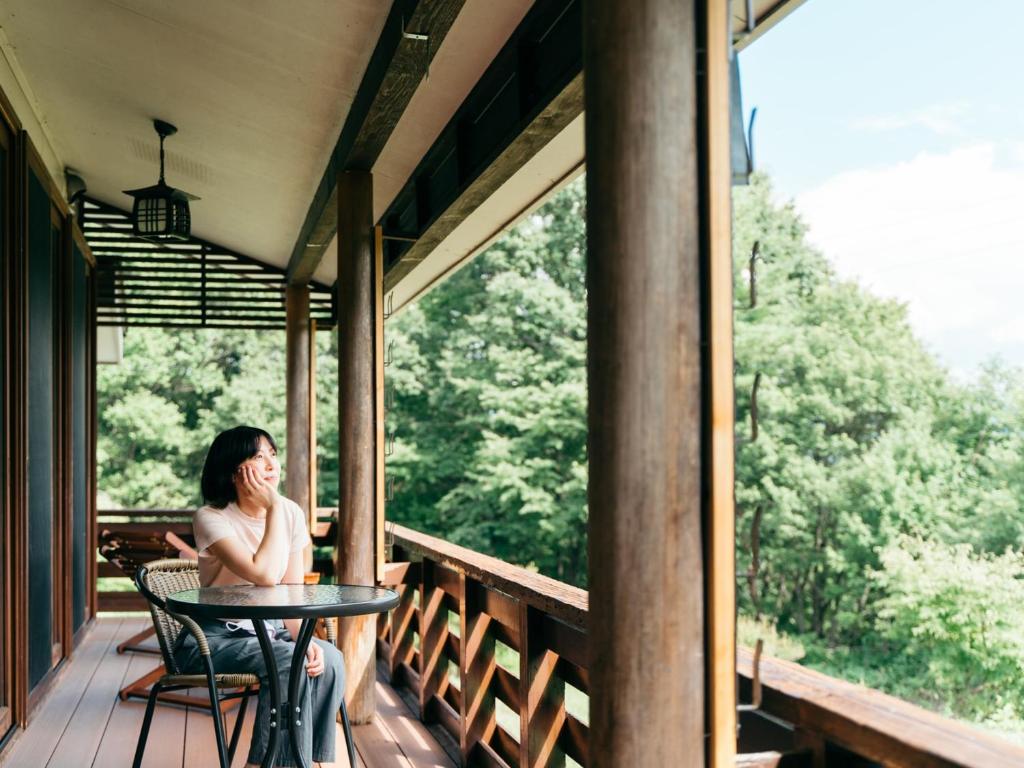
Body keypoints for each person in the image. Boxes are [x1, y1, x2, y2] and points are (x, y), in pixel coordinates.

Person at [174, 425, 345, 768]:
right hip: (211, 639)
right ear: (234, 470)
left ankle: (310, 761)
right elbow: (265, 575)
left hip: (269, 632)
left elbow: (291, 593)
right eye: (257, 456)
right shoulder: (211, 517)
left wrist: (304, 639)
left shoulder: (292, 513)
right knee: (285, 662)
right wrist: (275, 507)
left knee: (328, 659)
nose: (270, 464)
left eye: (272, 454)